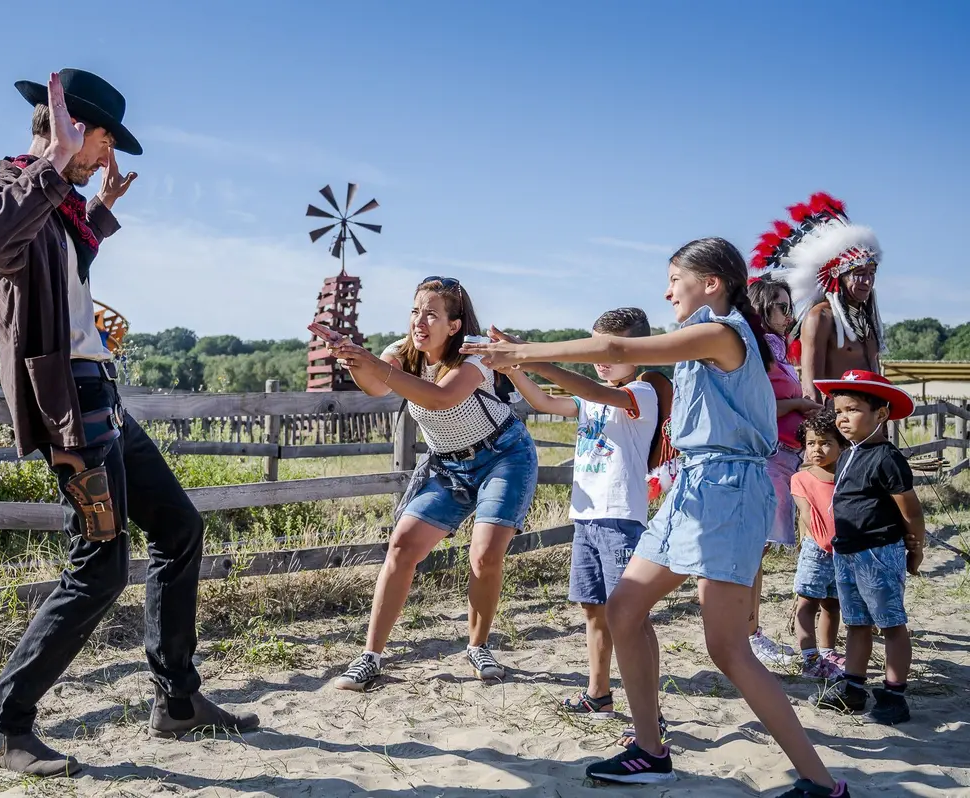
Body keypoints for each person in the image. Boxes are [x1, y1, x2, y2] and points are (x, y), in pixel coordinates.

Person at [462, 238, 847, 797]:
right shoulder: (702, 338)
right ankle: (650, 750)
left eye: (674, 279)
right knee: (623, 607)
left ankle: (822, 783)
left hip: (726, 490)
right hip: (693, 488)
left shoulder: (721, 332)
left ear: (711, 283)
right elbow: (600, 378)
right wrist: (528, 358)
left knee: (727, 648)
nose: (667, 292)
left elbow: (616, 345)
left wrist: (522, 352)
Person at [0, 69, 257, 776]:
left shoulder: (58, 207)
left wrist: (97, 208)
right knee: (100, 567)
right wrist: (57, 164)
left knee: (180, 528)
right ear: (72, 129)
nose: (107, 155)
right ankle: (4, 725)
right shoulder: (5, 191)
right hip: (70, 408)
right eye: (104, 140)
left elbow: (63, 270)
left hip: (102, 397)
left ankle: (177, 701)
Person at [317, 277, 538, 690]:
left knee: (485, 554)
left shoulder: (474, 355)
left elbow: (439, 398)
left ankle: (478, 646)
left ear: (454, 325)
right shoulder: (401, 352)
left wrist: (373, 363)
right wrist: (353, 358)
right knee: (402, 544)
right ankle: (370, 657)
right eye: (416, 311)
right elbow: (376, 386)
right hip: (448, 466)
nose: (419, 321)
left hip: (503, 456)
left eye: (432, 314)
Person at [496, 309, 661, 720]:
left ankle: (649, 710)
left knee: (631, 616)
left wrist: (530, 354)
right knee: (594, 609)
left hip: (621, 518)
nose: (600, 359)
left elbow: (589, 390)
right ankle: (598, 693)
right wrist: (516, 368)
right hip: (586, 518)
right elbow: (544, 401)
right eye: (594, 348)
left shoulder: (642, 392)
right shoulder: (593, 394)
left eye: (610, 350)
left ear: (638, 352)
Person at [808, 371, 924, 725]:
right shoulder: (847, 455)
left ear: (881, 414)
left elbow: (910, 509)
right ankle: (854, 688)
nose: (842, 418)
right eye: (839, 411)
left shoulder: (886, 458)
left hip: (878, 552)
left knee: (891, 623)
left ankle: (894, 695)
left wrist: (915, 546)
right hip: (847, 552)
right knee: (856, 622)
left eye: (853, 410)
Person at [746, 278, 824, 665]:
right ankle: (747, 633)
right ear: (761, 308)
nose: (789, 314)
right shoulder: (758, 353)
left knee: (755, 550)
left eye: (790, 306)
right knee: (752, 549)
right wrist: (797, 404)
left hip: (786, 456)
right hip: (770, 456)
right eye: (781, 306)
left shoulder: (776, 349)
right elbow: (757, 408)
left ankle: (749, 631)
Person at [749, 192, 884, 402]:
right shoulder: (820, 318)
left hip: (871, 416)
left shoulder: (866, 319)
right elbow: (811, 387)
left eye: (871, 273)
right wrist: (822, 421)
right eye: (859, 274)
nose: (867, 281)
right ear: (837, 274)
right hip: (837, 416)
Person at [790, 410, 848, 680]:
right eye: (811, 443)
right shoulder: (801, 479)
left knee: (833, 604)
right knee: (807, 603)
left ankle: (827, 651)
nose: (817, 449)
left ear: (841, 444)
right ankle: (810, 658)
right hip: (817, 550)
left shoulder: (849, 477)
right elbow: (806, 514)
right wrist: (824, 542)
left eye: (825, 443)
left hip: (845, 551)